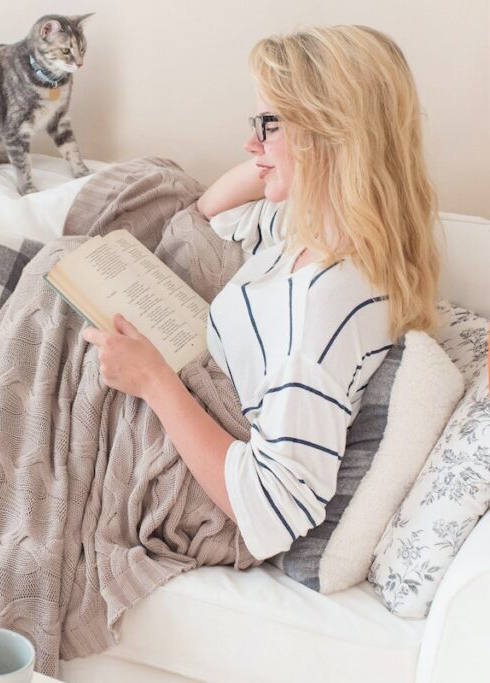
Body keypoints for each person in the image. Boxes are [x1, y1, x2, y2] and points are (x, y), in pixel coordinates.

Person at [83, 25, 440, 560]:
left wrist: (154, 380)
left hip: (200, 490)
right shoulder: (318, 231)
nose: (251, 144)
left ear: (329, 132)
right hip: (188, 384)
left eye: (268, 124)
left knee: (54, 301)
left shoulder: (323, 305)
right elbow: (209, 217)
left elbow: (272, 509)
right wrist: (281, 156)